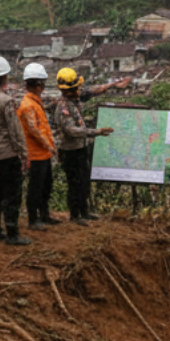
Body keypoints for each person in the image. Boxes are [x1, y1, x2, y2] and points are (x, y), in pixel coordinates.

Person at [53, 68, 117, 226]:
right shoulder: (63, 107)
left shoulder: (74, 99)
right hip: (70, 150)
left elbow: (91, 91)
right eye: (76, 88)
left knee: (83, 181)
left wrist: (112, 85)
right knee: (74, 183)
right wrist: (96, 132)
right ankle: (75, 215)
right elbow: (71, 130)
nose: (79, 91)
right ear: (69, 91)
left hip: (80, 148)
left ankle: (84, 211)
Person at [0, 56, 31, 246]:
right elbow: (15, 131)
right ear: (4, 77)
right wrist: (24, 154)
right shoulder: (5, 101)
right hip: (6, 154)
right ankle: (12, 233)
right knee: (12, 193)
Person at [17, 64, 59, 230]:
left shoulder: (34, 103)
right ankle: (33, 220)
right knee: (35, 188)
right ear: (39, 85)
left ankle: (44, 214)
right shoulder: (28, 105)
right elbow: (34, 130)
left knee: (45, 185)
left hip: (43, 154)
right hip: (35, 155)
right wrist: (50, 146)